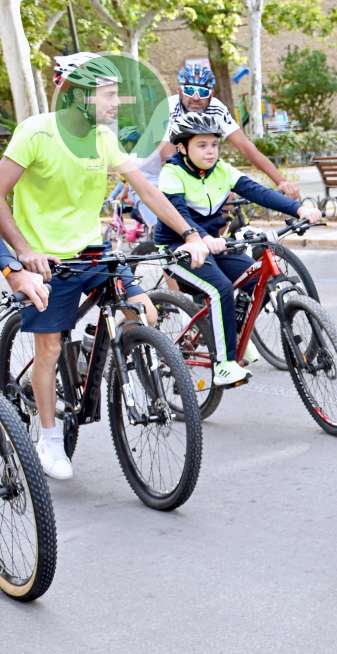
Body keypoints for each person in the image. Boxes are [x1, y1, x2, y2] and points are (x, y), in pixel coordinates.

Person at [0, 53, 211, 480]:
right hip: (47, 259)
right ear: (79, 97)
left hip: (93, 251)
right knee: (50, 348)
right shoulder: (35, 134)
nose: (118, 102)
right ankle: (49, 437)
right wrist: (22, 252)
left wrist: (190, 234)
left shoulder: (102, 140)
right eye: (109, 95)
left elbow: (148, 193)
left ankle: (115, 357)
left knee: (144, 311)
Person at [155, 112, 322, 387]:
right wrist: (200, 238)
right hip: (180, 247)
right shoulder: (171, 173)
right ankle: (224, 365)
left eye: (214, 144)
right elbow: (179, 213)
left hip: (217, 244)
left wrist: (299, 208)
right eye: (202, 145)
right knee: (220, 289)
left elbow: (258, 192)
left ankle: (235, 334)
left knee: (260, 280)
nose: (210, 151)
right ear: (183, 148)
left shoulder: (222, 170)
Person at [158, 64, 300, 200]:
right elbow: (167, 156)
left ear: (211, 94)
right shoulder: (169, 108)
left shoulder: (216, 108)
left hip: (187, 165)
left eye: (202, 92)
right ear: (179, 91)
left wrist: (281, 181)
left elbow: (245, 146)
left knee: (226, 205)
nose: (196, 98)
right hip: (153, 172)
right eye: (189, 90)